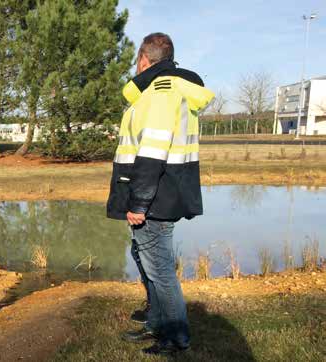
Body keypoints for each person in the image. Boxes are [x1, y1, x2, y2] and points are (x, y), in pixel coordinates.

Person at [106, 32, 214, 355]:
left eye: (136, 60)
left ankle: (176, 337)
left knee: (160, 269)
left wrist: (138, 203)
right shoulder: (161, 90)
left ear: (143, 59)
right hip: (158, 195)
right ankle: (156, 323)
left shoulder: (162, 90)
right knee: (145, 260)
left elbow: (152, 152)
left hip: (154, 199)